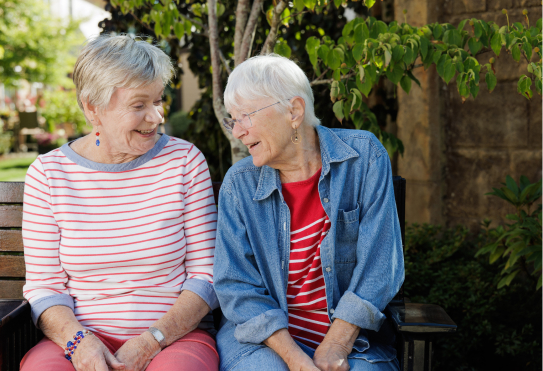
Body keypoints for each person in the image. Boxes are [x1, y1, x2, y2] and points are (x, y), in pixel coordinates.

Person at [20, 35, 219, 371]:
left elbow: (207, 275)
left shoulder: (184, 161)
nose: (156, 117)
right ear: (93, 108)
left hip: (173, 337)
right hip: (79, 340)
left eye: (158, 101)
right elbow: (44, 286)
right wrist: (79, 342)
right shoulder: (48, 174)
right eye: (139, 105)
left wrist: (152, 339)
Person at [213, 55, 404, 371]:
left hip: (352, 343)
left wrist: (336, 346)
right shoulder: (239, 184)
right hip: (263, 345)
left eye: (245, 116)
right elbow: (237, 287)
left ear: (294, 111)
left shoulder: (363, 157)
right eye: (233, 119)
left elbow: (381, 266)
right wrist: (295, 359)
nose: (238, 132)